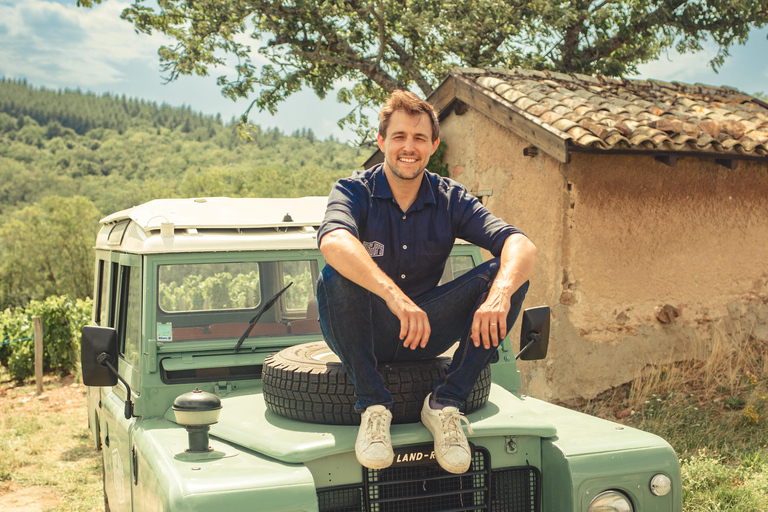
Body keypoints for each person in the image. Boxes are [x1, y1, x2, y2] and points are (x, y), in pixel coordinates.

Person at [316, 90, 536, 474]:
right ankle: (372, 407)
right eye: (399, 136)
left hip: (425, 330)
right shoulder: (354, 190)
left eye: (419, 138)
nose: (408, 147)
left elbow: (521, 244)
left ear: (433, 145)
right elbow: (333, 241)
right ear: (382, 141)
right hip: (362, 330)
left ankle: (445, 403)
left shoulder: (450, 198)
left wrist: (499, 295)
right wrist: (394, 297)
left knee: (509, 277)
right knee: (338, 273)